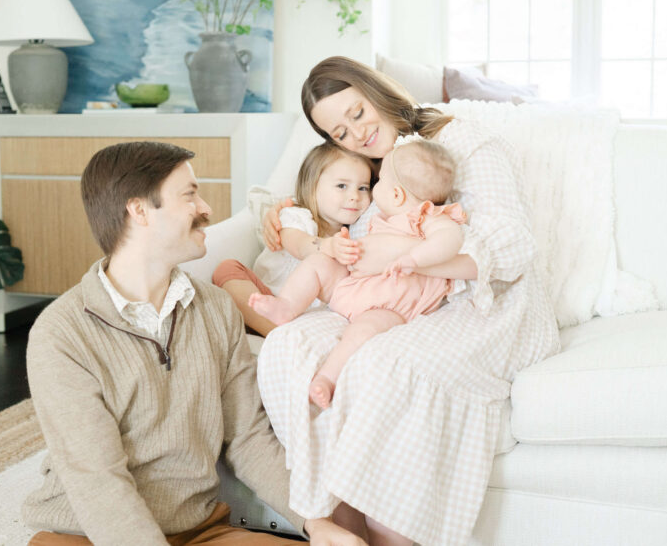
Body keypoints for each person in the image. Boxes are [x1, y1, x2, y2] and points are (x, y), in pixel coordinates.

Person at [256, 57, 561, 546]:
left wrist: (409, 258)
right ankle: (339, 528)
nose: (355, 134)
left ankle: (394, 535)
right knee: (290, 346)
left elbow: (511, 244)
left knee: (386, 364)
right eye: (338, 132)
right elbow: (329, 224)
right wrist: (288, 215)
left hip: (481, 297)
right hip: (385, 297)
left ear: (377, 91)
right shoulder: (363, 170)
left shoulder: (462, 141)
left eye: (357, 113)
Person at [22, 141, 365, 546]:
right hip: (88, 534)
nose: (206, 208)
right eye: (189, 195)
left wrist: (315, 523)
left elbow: (248, 438)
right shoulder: (60, 334)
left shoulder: (216, 308)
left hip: (199, 530)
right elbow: (97, 479)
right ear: (139, 211)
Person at [249, 139, 468, 409]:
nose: (370, 192)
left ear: (397, 195)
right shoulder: (378, 219)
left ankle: (327, 378)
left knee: (363, 331)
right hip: (354, 286)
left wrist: (415, 259)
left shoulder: (430, 217)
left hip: (389, 306)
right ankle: (287, 306)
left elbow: (450, 241)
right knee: (319, 263)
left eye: (377, 183)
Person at [212, 143, 374, 337]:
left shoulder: (358, 230)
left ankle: (285, 332)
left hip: (314, 314)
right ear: (312, 187)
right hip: (268, 298)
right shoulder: (295, 216)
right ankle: (275, 331)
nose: (355, 196)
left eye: (363, 188)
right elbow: (300, 245)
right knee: (227, 268)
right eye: (342, 186)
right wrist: (327, 245)